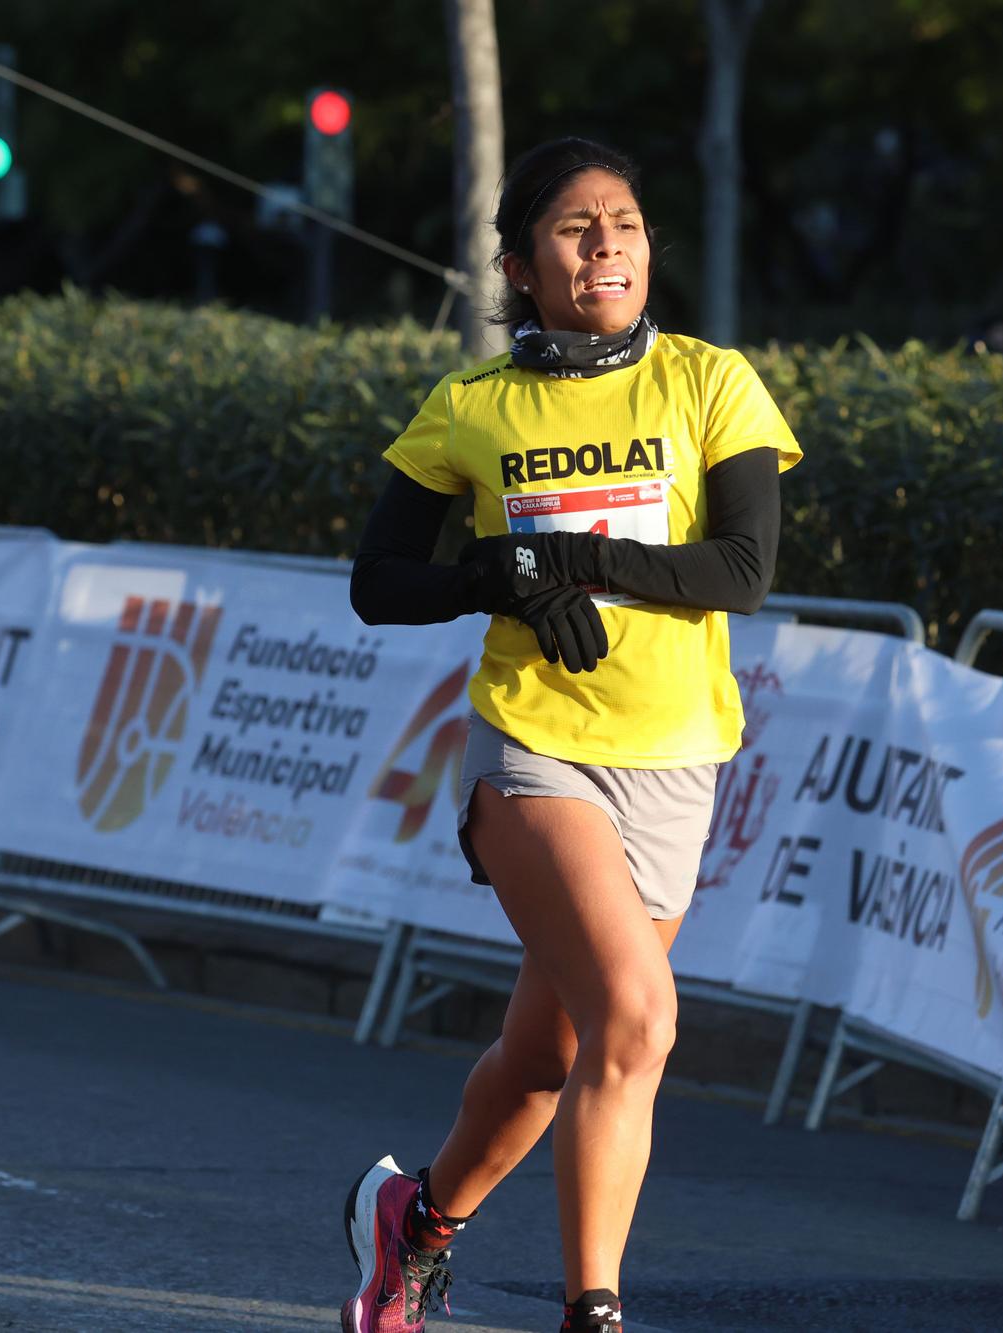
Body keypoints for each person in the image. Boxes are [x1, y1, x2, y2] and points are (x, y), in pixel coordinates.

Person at [342, 137, 801, 1332]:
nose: (607, 243)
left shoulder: (712, 381)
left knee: (547, 1056)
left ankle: (414, 1224)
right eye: (574, 227)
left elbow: (740, 571)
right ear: (517, 264)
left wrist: (574, 558)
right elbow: (379, 581)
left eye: (626, 223)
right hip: (534, 749)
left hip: (675, 753)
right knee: (639, 1020)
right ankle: (590, 1310)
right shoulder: (475, 405)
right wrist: (495, 574)